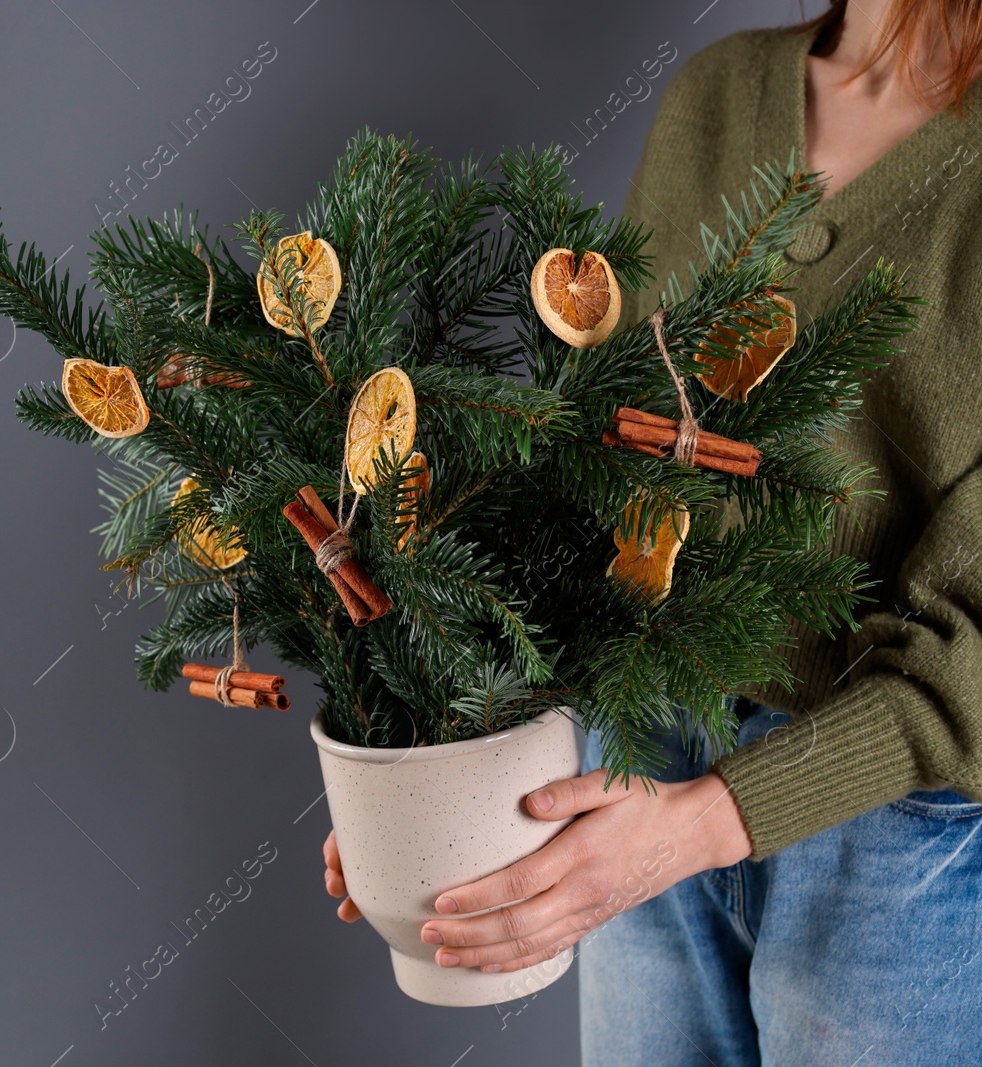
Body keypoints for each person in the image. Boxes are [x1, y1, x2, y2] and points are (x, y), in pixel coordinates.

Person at [322, 2, 982, 1062]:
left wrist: (704, 821)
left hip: (897, 827)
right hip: (636, 738)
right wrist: (438, 769)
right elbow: (596, 466)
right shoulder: (715, 97)